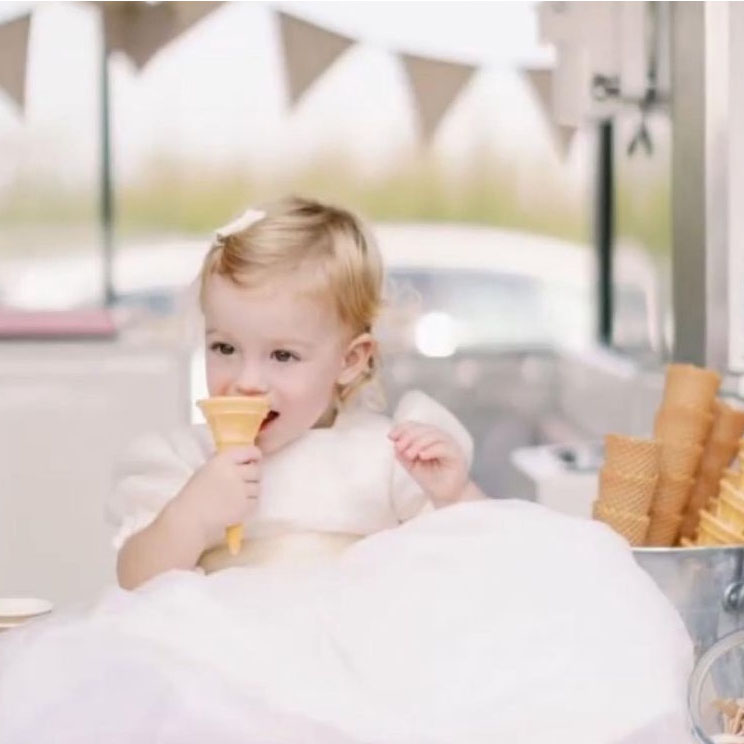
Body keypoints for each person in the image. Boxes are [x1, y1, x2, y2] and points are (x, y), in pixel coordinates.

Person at [0, 197, 693, 744]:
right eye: (224, 346)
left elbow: (482, 569)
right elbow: (136, 580)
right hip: (225, 660)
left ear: (352, 362)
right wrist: (194, 512)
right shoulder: (184, 459)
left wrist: (453, 493)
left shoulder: (382, 452)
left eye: (282, 357)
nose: (244, 379)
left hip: (364, 664)